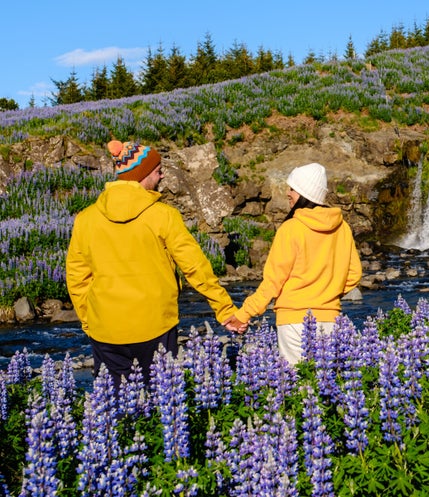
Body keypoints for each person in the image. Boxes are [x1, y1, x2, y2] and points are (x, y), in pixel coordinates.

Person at [66, 140, 238, 385]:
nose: (162, 174)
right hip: (156, 324)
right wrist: (225, 309)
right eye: (158, 170)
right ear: (142, 174)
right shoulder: (164, 216)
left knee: (115, 408)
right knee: (161, 405)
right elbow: (195, 267)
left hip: (105, 329)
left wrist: (89, 320)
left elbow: (76, 278)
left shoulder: (86, 219)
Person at [224, 162, 362, 365]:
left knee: (298, 388)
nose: (288, 193)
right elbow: (353, 275)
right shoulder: (342, 228)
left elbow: (273, 282)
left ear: (305, 193)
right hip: (330, 319)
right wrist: (327, 291)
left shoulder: (291, 229)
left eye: (292, 189)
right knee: (326, 387)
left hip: (294, 321)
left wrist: (244, 314)